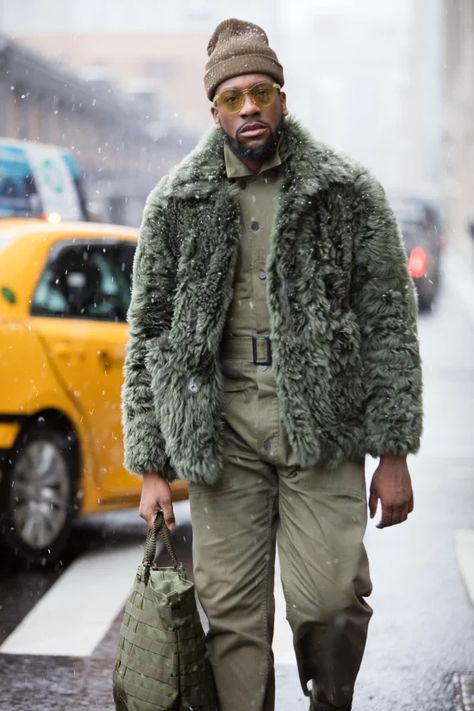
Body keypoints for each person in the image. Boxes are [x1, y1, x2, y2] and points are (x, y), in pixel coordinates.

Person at [121, 18, 423, 711]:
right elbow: (151, 334)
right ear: (214, 111)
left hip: (321, 420)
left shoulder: (346, 192)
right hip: (222, 430)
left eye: (262, 92)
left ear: (282, 98)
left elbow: (388, 322)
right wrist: (151, 467)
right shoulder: (176, 203)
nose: (249, 107)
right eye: (233, 98)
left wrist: (395, 450)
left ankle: (329, 696)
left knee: (332, 600)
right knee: (232, 619)